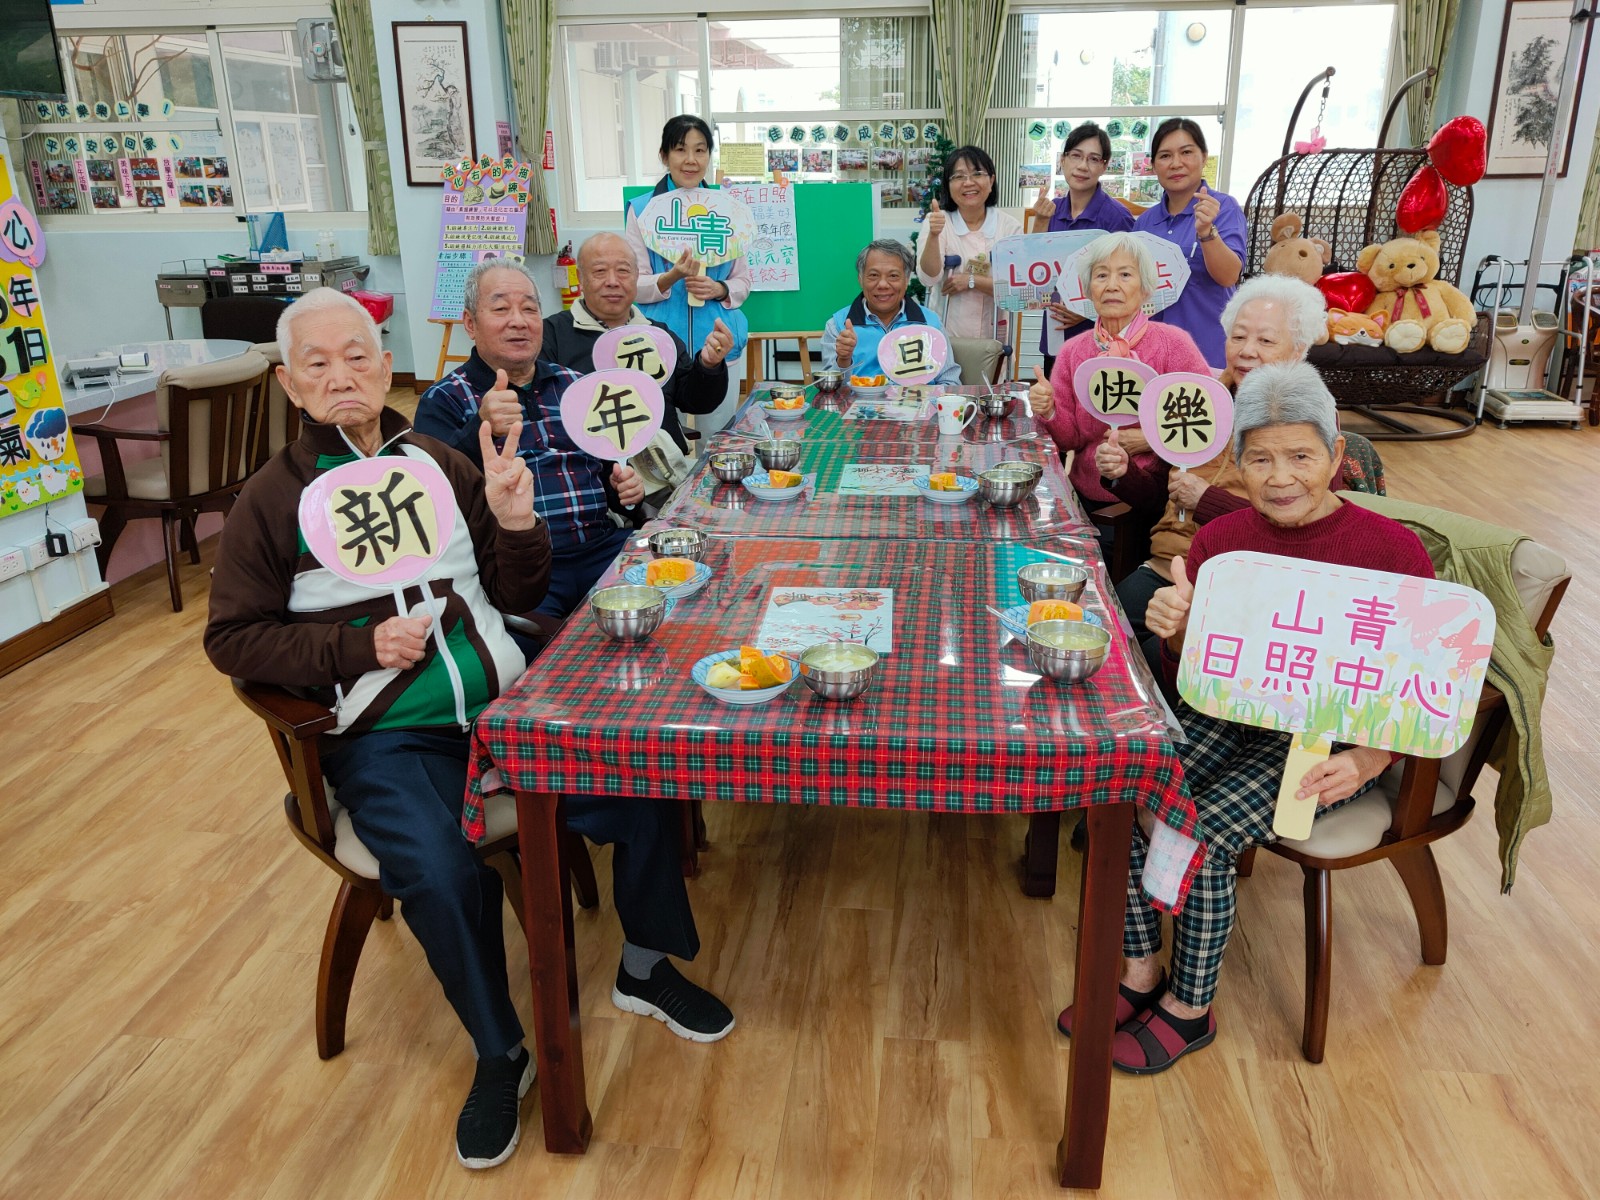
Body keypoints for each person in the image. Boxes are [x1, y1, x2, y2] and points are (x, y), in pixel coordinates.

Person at [205, 289, 733, 1172]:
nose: (344, 377)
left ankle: (644, 965)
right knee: (442, 875)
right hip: (387, 735)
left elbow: (518, 593)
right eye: (319, 364)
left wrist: (517, 521)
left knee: (644, 770)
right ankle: (502, 1051)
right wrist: (353, 645)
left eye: (361, 356)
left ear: (386, 362)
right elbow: (231, 638)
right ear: (291, 385)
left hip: (504, 707)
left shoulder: (440, 464)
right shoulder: (272, 499)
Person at [1057, 361, 1435, 1074]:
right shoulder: (1220, 543)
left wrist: (1369, 760)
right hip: (1233, 713)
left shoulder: (1393, 552)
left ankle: (1190, 1010)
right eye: (1259, 458)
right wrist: (1175, 631)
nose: (1280, 475)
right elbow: (1193, 679)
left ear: (1336, 457)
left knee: (1200, 831)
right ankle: (1138, 974)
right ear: (1237, 462)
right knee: (1132, 791)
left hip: (1327, 736)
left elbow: (1423, 685)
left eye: (1300, 455)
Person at [1096, 274, 1326, 680]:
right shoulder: (1201, 399)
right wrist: (1123, 472)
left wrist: (1205, 501)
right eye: (1238, 337)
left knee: (1146, 663)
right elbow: (1158, 498)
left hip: (1239, 589)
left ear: (1300, 350)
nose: (1246, 352)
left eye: (1266, 341)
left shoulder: (1309, 424)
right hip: (1167, 566)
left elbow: (1308, 531)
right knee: (1095, 631)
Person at [412, 260, 644, 622]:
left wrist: (623, 490)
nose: (518, 320)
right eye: (501, 308)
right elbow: (435, 499)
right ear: (470, 324)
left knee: (674, 602)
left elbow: (605, 476)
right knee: (543, 656)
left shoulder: (577, 386)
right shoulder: (443, 399)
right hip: (522, 568)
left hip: (602, 547)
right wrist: (480, 427)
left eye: (530, 309)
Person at [1027, 231, 1210, 515]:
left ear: (1146, 287)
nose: (1112, 285)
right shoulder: (1073, 351)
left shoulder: (1174, 344)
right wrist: (1049, 410)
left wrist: (1150, 439)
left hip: (1155, 497)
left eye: (1125, 275)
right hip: (1087, 495)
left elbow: (1205, 419)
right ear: (1088, 289)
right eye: (1101, 276)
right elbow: (1069, 440)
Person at [540, 230, 735, 456]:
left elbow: (696, 402)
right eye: (600, 271)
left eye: (623, 271)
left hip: (664, 473)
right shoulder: (550, 335)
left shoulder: (658, 335)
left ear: (635, 277)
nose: (612, 281)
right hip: (589, 475)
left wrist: (708, 365)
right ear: (581, 278)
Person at [624, 114, 750, 430]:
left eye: (701, 150)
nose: (691, 160)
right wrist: (670, 277)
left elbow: (743, 282)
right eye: (680, 150)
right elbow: (632, 285)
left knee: (719, 442)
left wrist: (718, 288)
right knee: (665, 445)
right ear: (664, 156)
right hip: (658, 344)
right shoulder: (641, 210)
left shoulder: (728, 209)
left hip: (718, 343)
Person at [1133, 118, 1246, 368]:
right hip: (1153, 355)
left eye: (1186, 152)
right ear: (1153, 165)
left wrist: (1206, 232)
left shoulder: (1223, 208)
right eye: (1165, 156)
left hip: (1209, 351)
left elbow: (1229, 276)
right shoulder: (1144, 222)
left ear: (1204, 157)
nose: (1176, 163)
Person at [1026, 123, 1136, 375]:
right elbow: (1031, 269)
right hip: (1055, 333)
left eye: (1093, 159)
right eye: (1075, 155)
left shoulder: (1117, 218)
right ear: (1063, 160)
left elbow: (1130, 282)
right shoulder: (1051, 211)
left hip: (1103, 339)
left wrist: (1086, 311)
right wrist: (1040, 221)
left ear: (1104, 166)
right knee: (1057, 406)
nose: (1083, 166)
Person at [914, 145, 1022, 340]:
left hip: (992, 336)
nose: (968, 183)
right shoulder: (938, 221)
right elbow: (928, 278)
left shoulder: (1009, 227)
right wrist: (934, 235)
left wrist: (973, 281)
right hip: (946, 335)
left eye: (977, 174)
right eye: (958, 176)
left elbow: (1017, 288)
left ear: (991, 181)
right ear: (948, 185)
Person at [820, 239, 964, 385]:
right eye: (874, 275)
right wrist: (843, 360)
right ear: (860, 279)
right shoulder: (838, 326)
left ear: (906, 280)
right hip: (861, 406)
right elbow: (830, 391)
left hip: (919, 405)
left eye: (893, 276)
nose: (883, 284)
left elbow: (950, 382)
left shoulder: (930, 324)